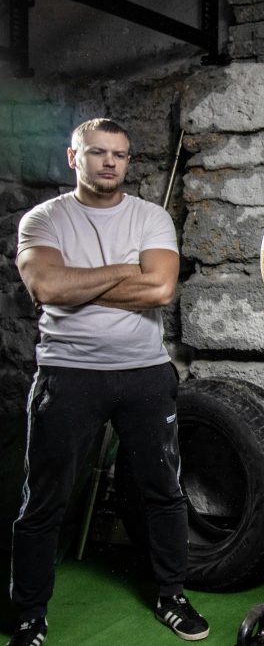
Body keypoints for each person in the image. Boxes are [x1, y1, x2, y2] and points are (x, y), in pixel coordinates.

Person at [9, 118, 209, 645]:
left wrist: (79, 285)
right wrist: (123, 270)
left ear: (127, 161)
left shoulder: (150, 217)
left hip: (143, 373)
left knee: (163, 492)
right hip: (68, 374)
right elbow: (47, 283)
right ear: (74, 157)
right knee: (44, 501)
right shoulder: (44, 220)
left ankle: (172, 596)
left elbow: (161, 289)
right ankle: (30, 614)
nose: (109, 163)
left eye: (119, 154)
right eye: (97, 153)